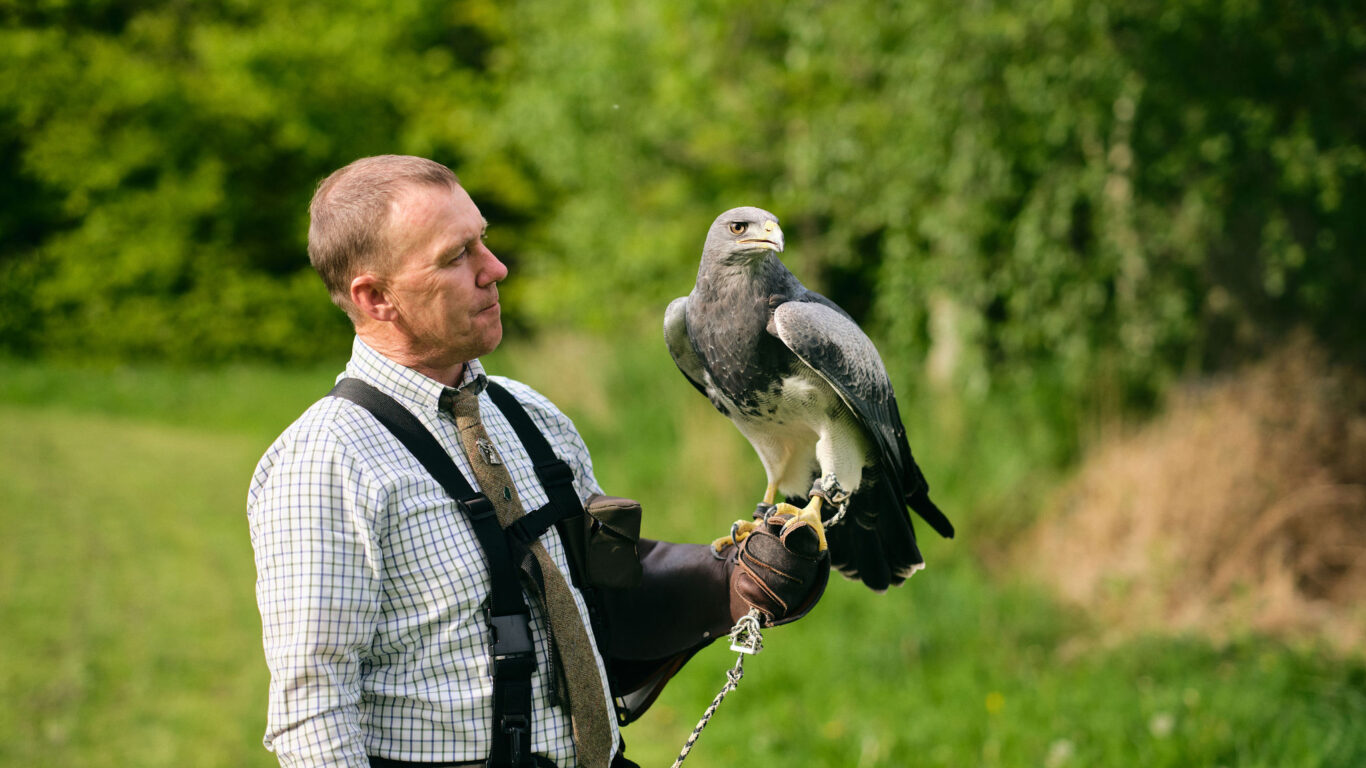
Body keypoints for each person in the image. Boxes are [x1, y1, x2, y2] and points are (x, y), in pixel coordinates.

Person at [247, 155, 829, 768]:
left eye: (484, 241)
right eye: (456, 257)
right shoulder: (326, 462)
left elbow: (592, 598)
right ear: (375, 296)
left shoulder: (531, 416)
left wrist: (725, 584)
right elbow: (313, 717)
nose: (494, 269)